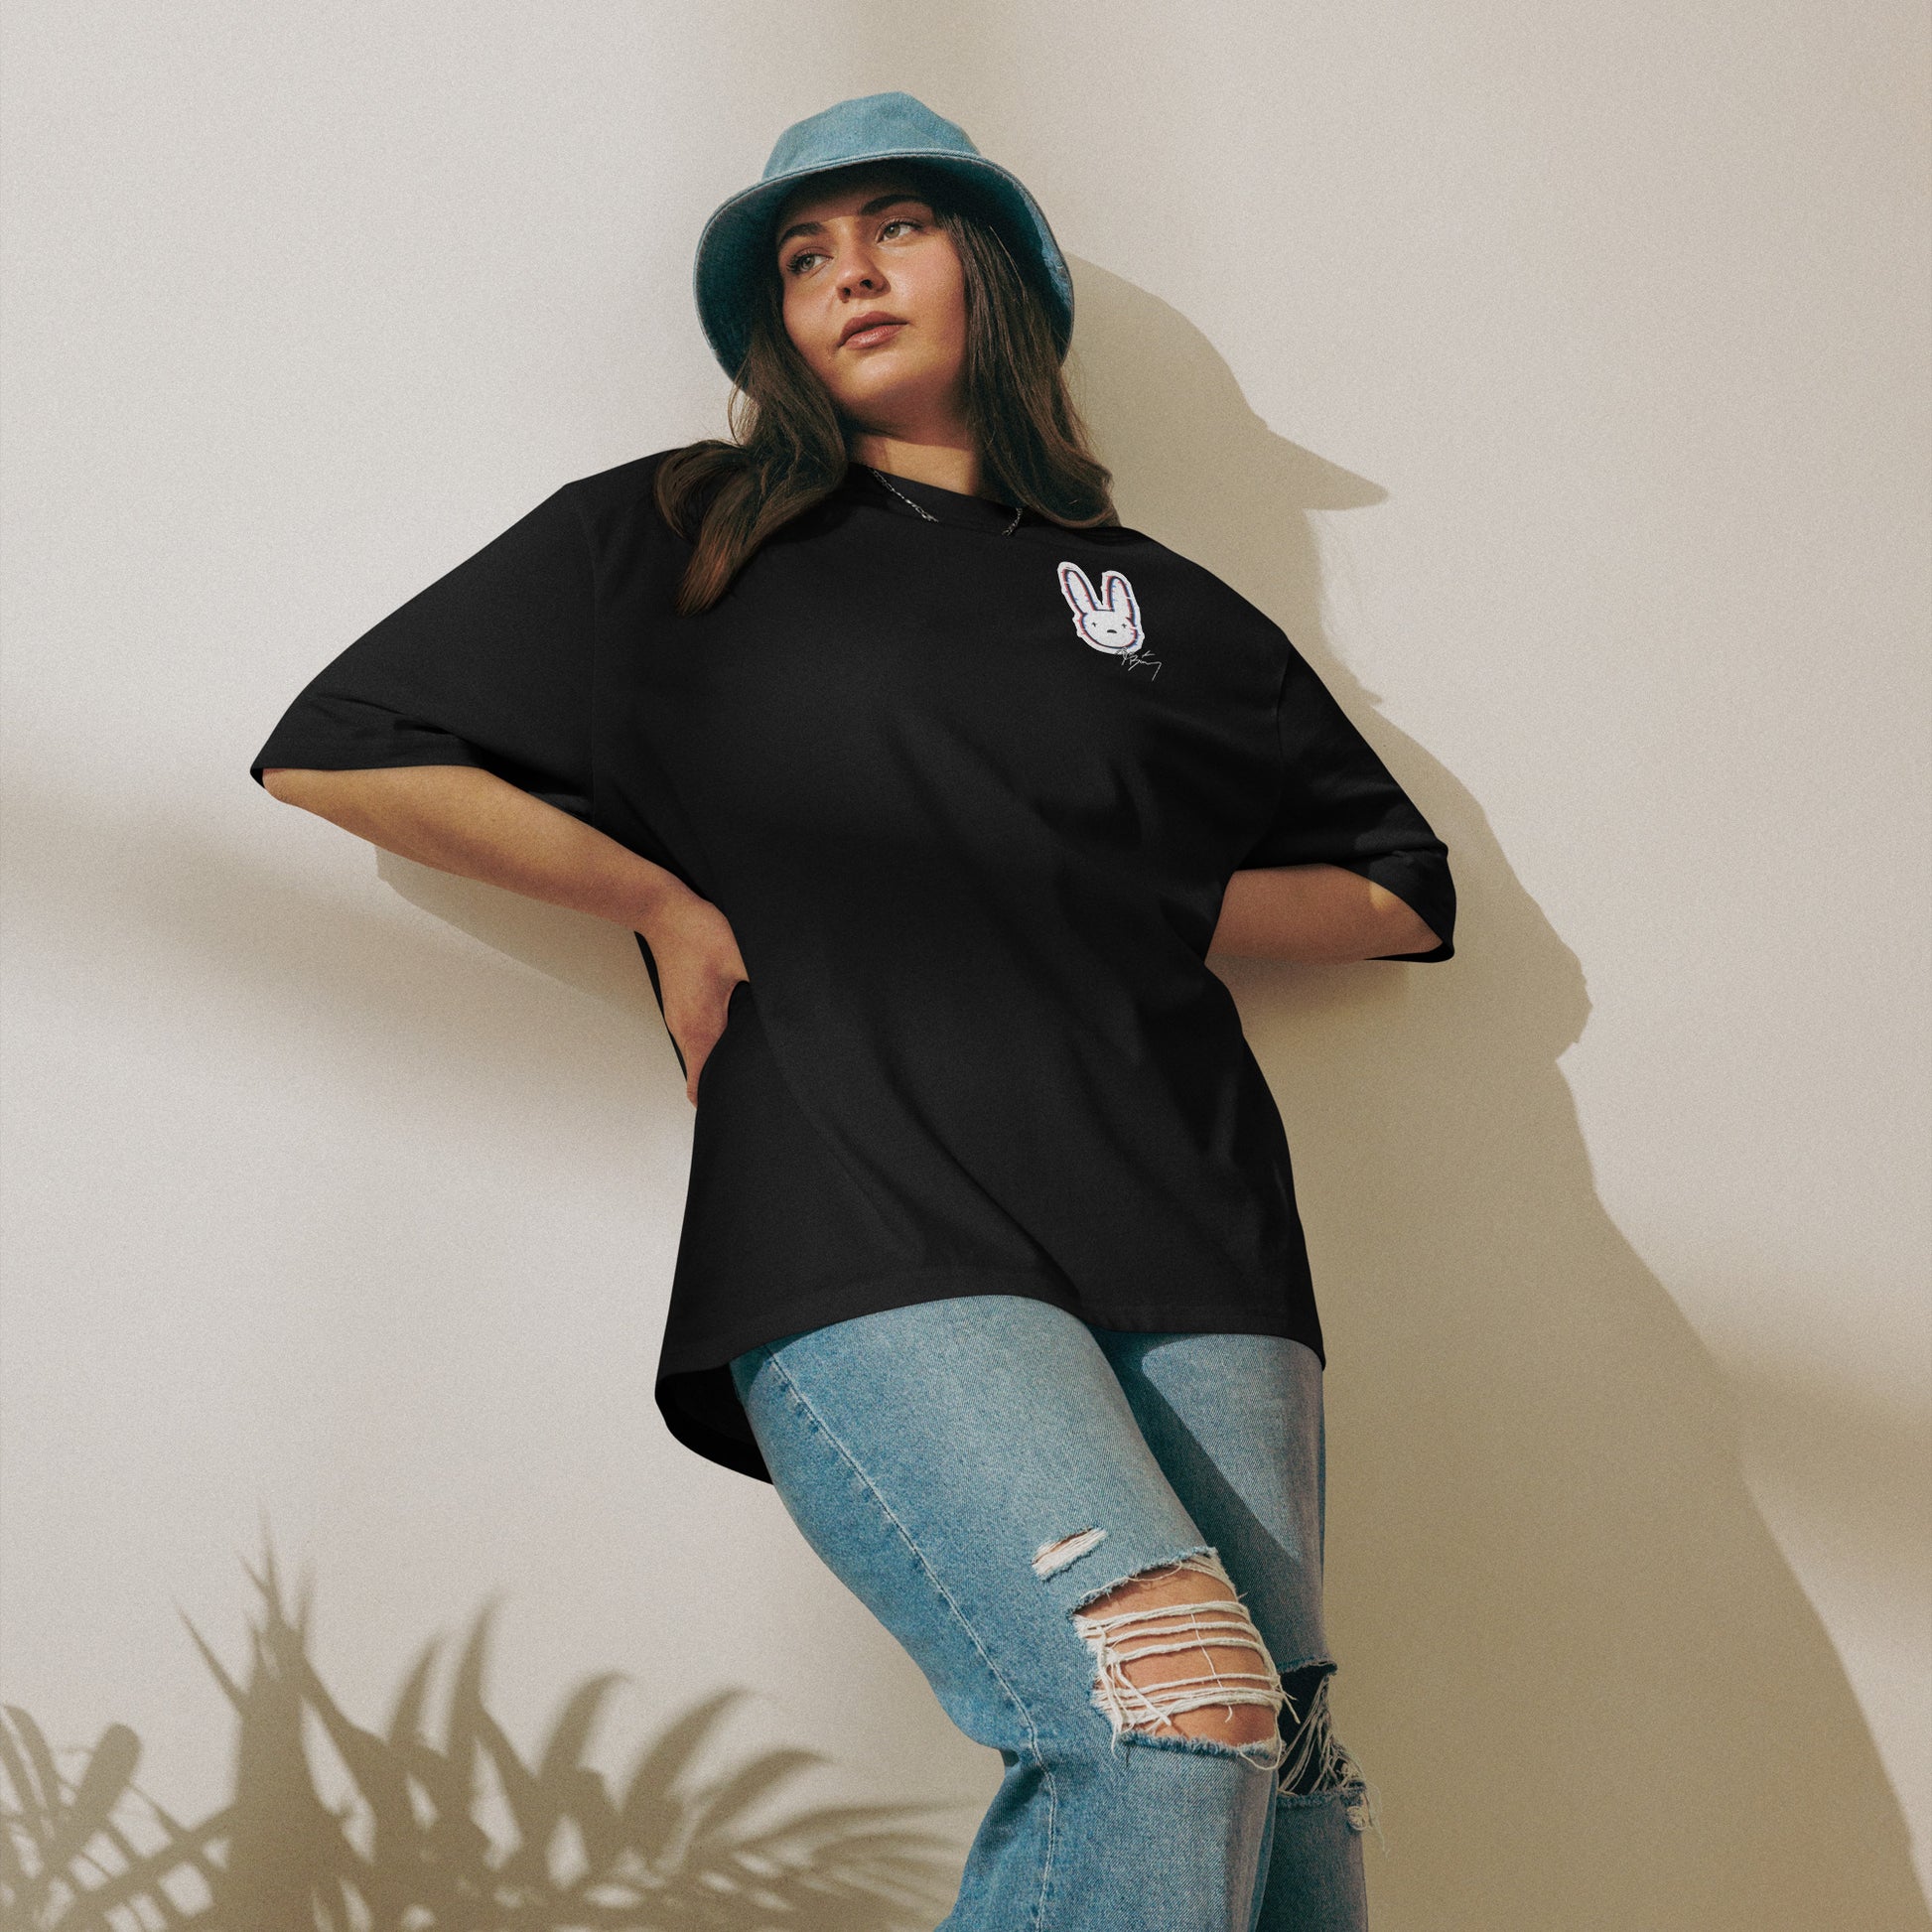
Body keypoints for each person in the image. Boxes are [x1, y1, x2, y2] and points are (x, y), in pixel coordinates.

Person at [250, 89, 1454, 1932]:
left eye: (895, 227)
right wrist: (656, 896)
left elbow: (1394, 887)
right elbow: (341, 746)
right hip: (869, 1216)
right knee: (1166, 1707)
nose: (848, 275)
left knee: (1285, 1773)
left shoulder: (1162, 608)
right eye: (803, 256)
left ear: (994, 274)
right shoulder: (685, 533)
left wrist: (1109, 881)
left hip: (1195, 1228)